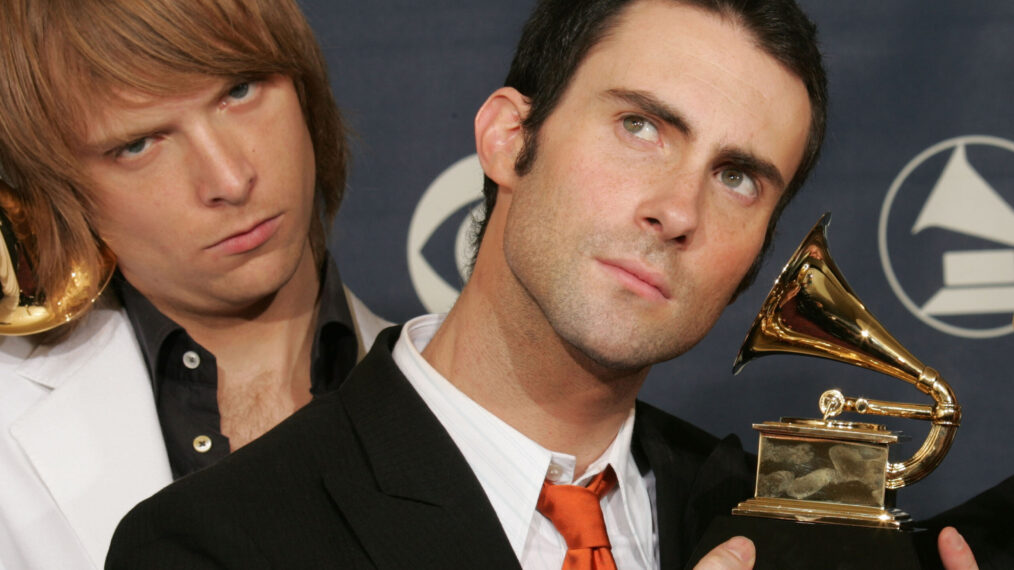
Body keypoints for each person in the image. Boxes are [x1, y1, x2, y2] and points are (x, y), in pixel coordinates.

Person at [106, 0, 976, 568]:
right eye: (640, 126)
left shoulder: (797, 525)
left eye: (738, 177)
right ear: (508, 137)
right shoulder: (216, 543)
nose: (678, 210)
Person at [0, 1, 389, 568]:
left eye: (240, 91)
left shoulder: (481, 410)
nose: (230, 179)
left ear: (304, 86)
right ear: (58, 196)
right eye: (138, 145)